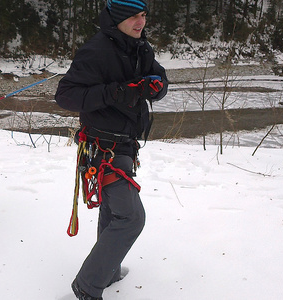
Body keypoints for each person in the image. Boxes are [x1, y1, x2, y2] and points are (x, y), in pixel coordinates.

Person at [55, 0, 168, 298]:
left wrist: (156, 86)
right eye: (133, 16)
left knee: (113, 210)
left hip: (126, 144)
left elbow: (159, 76)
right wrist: (116, 93)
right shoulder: (96, 51)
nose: (140, 22)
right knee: (131, 217)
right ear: (117, 18)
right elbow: (65, 96)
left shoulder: (141, 47)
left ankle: (109, 271)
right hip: (102, 147)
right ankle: (87, 286)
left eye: (143, 15)